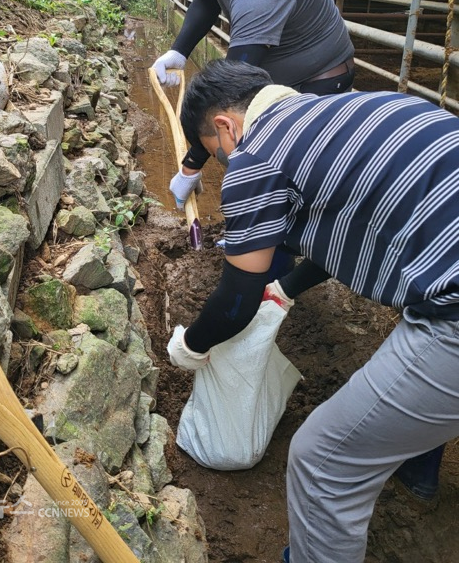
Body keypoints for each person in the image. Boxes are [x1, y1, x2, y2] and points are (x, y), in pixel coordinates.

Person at [170, 58, 459, 563]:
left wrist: (190, 345)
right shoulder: (341, 110)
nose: (222, 163)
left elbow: (236, 301)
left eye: (215, 154)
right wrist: (285, 287)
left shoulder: (255, 154)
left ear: (224, 125)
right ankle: (417, 471)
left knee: (322, 460)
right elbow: (351, 226)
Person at [150, 0, 354, 211]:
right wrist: (180, 51)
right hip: (275, 68)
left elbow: (229, 94)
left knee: (274, 163)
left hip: (318, 80)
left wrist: (191, 166)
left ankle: (276, 246)